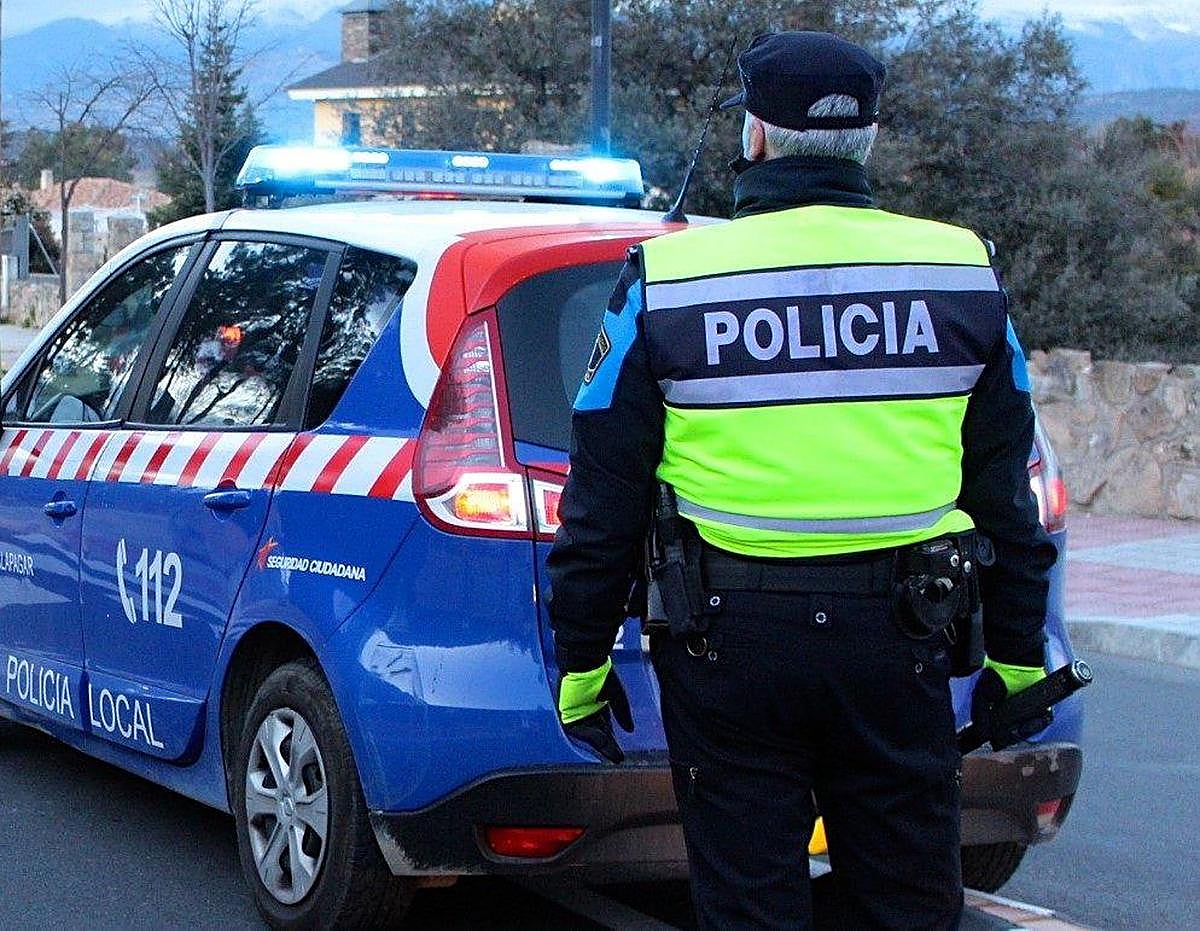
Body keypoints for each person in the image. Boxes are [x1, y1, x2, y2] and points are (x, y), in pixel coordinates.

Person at [547, 30, 1057, 930]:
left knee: (750, 905)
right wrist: (1016, 660)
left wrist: (583, 662)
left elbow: (603, 498)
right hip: (902, 640)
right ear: (868, 142)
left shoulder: (668, 278)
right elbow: (1005, 498)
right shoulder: (960, 269)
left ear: (755, 136)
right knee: (906, 902)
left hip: (730, 647)